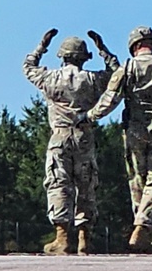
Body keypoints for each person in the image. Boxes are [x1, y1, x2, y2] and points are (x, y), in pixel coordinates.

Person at [84, 26, 152, 253]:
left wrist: (89, 117)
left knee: (137, 181)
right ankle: (143, 228)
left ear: (134, 46)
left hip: (135, 129)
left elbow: (109, 100)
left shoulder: (128, 67)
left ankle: (146, 233)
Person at [23, 28, 119, 255]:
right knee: (86, 185)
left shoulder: (51, 78)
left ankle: (62, 238)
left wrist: (41, 45)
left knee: (58, 184)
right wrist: (103, 49)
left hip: (60, 136)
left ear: (62, 56)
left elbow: (28, 68)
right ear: (84, 58)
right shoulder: (93, 80)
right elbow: (117, 74)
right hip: (84, 134)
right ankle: (85, 238)